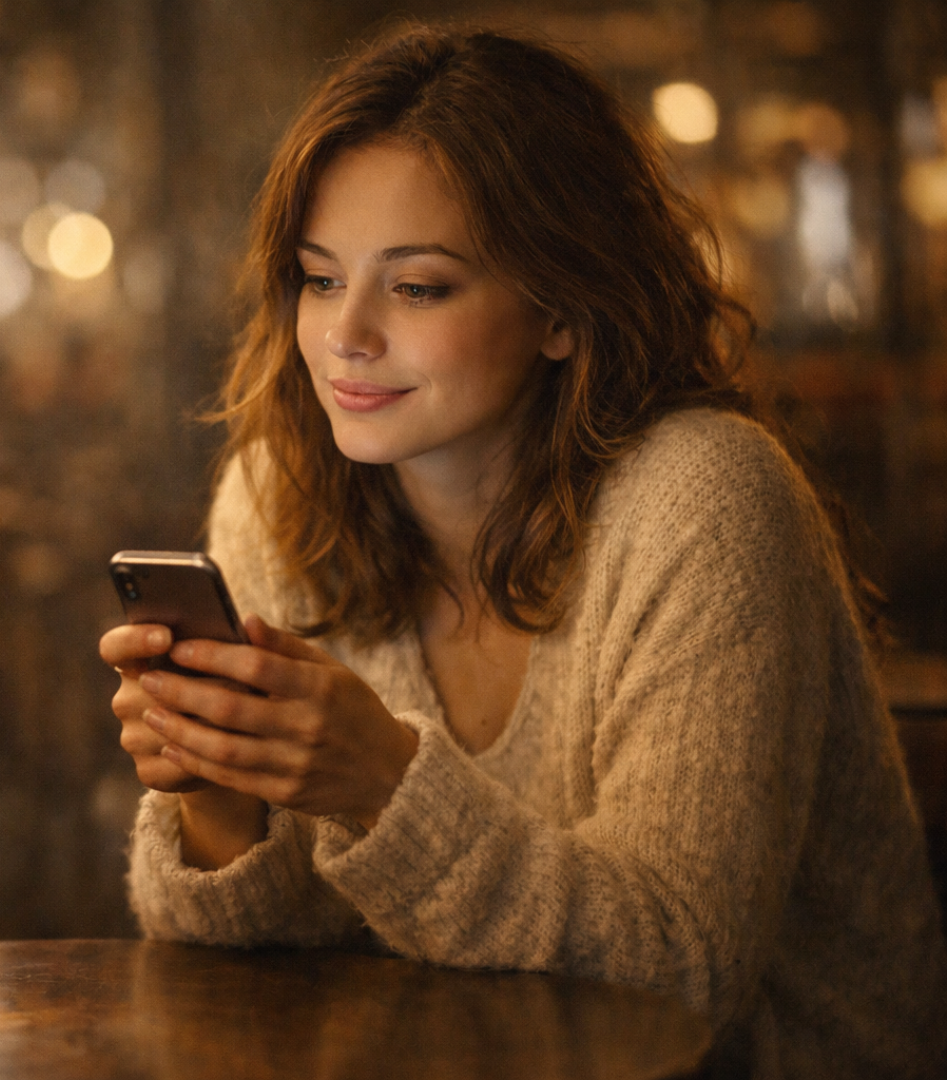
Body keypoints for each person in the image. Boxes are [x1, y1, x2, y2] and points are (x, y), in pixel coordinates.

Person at [100, 24, 946, 1078]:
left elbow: (681, 977)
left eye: (418, 288)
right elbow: (269, 965)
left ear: (560, 306)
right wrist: (222, 796)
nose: (346, 335)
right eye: (320, 280)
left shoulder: (709, 501)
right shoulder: (281, 499)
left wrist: (380, 785)